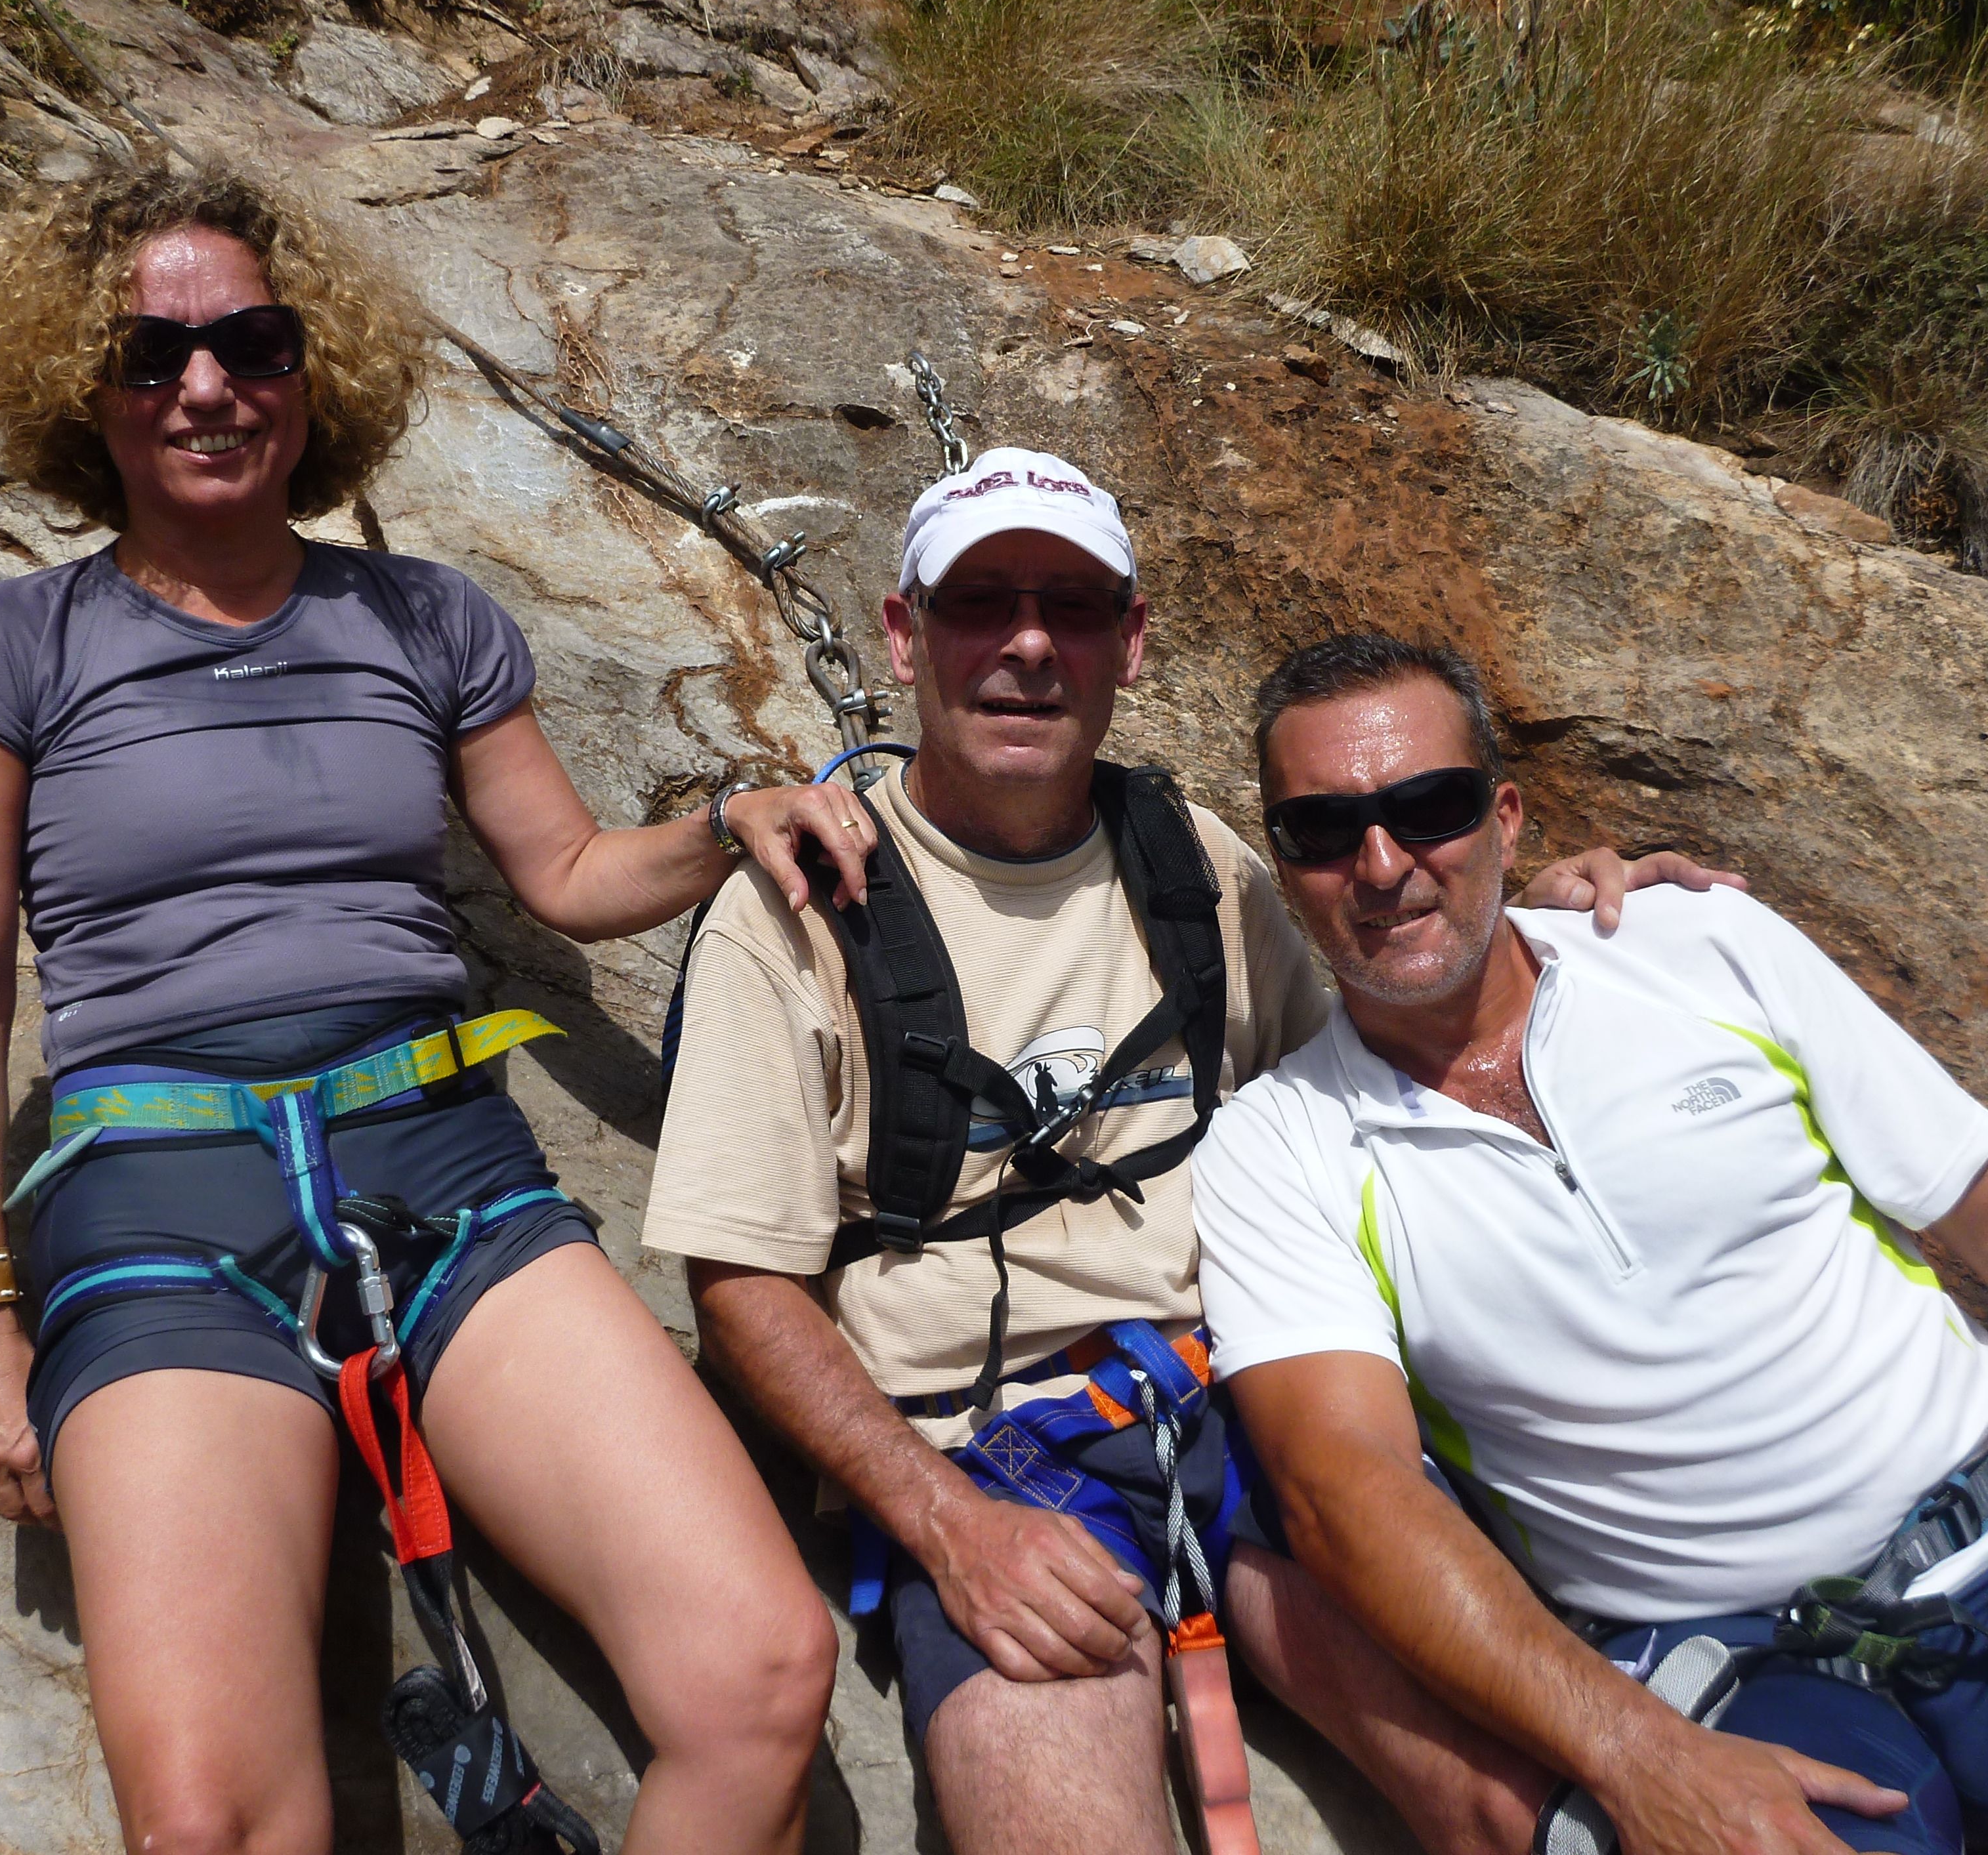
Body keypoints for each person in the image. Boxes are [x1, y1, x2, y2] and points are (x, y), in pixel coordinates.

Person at [0, 159, 866, 1855]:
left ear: (311, 369)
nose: (206, 385)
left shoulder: (423, 617)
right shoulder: (1, 653)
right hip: (160, 1204)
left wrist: (726, 826)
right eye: (152, 354)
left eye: (253, 342)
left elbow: (560, 873)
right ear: (86, 387)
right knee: (210, 1824)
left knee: (762, 1672)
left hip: (450, 1176)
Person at [642, 449, 1734, 1854]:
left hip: (1260, 1404)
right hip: (994, 1460)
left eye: (1072, 607)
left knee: (1514, 1806)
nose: (1028, 644)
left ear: (1130, 643)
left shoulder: (1194, 862)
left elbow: (1382, 1019)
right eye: (981, 602)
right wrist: (945, 1530)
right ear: (904, 636)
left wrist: (1546, 921)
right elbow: (740, 1284)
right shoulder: (793, 913)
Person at [1194, 631, 1988, 1855]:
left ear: (1506, 818)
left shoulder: (1696, 950)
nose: (1382, 863)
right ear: (1283, 861)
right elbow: (1340, 1484)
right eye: (1321, 829)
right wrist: (1631, 1750)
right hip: (1734, 1676)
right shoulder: (1274, 1147)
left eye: (1431, 807)